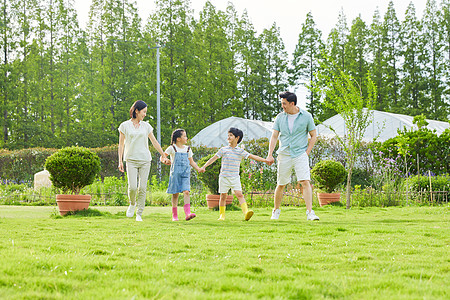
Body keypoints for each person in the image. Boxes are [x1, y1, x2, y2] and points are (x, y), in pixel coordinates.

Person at [266, 91, 319, 221]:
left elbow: (313, 135)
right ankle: (276, 211)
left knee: (305, 182)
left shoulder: (306, 116)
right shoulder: (280, 117)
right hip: (284, 154)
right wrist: (270, 154)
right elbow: (274, 136)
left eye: (284, 103)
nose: (282, 106)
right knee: (281, 184)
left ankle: (310, 213)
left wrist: (306, 152)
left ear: (292, 103)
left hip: (300, 153)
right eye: (282, 103)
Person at [200, 127, 268, 221]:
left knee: (239, 194)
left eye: (231, 135)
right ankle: (222, 215)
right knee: (223, 196)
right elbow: (213, 158)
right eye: (228, 135)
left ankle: (246, 213)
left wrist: (265, 160)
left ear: (237, 138)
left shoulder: (240, 151)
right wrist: (204, 166)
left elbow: (252, 156)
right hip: (224, 177)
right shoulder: (223, 150)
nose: (228, 137)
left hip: (235, 177)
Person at [118, 100, 169, 222]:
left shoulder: (147, 126)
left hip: (145, 160)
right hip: (131, 159)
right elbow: (121, 145)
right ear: (137, 111)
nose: (145, 114)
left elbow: (154, 142)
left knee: (142, 187)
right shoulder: (124, 126)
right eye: (144, 112)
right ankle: (132, 203)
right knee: (133, 188)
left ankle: (139, 214)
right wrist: (120, 161)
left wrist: (163, 155)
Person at [165, 129, 203, 221]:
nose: (186, 138)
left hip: (185, 174)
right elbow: (163, 156)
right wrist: (165, 160)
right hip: (175, 174)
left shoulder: (188, 149)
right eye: (184, 136)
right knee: (175, 194)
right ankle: (174, 215)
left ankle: (188, 213)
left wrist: (198, 168)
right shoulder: (172, 148)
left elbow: (191, 162)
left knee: (186, 191)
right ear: (178, 139)